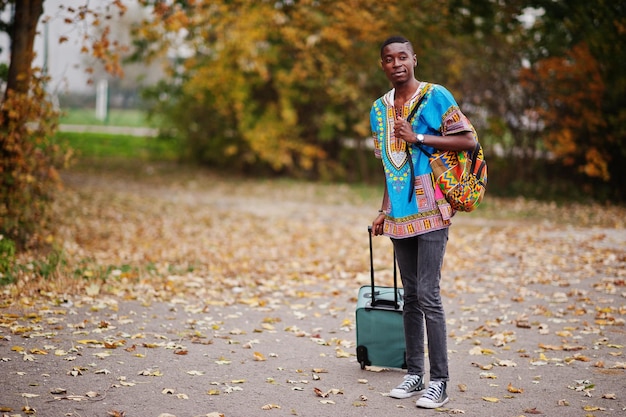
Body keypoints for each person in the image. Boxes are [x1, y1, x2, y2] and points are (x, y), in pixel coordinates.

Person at [369, 36, 477, 409]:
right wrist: (384, 210)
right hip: (400, 214)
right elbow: (388, 163)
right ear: (382, 65)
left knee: (429, 294)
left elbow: (467, 141)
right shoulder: (377, 110)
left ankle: (440, 381)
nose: (396, 63)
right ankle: (414, 375)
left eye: (402, 56)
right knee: (411, 295)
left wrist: (417, 136)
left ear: (415, 58)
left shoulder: (436, 96)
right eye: (388, 58)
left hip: (432, 208)